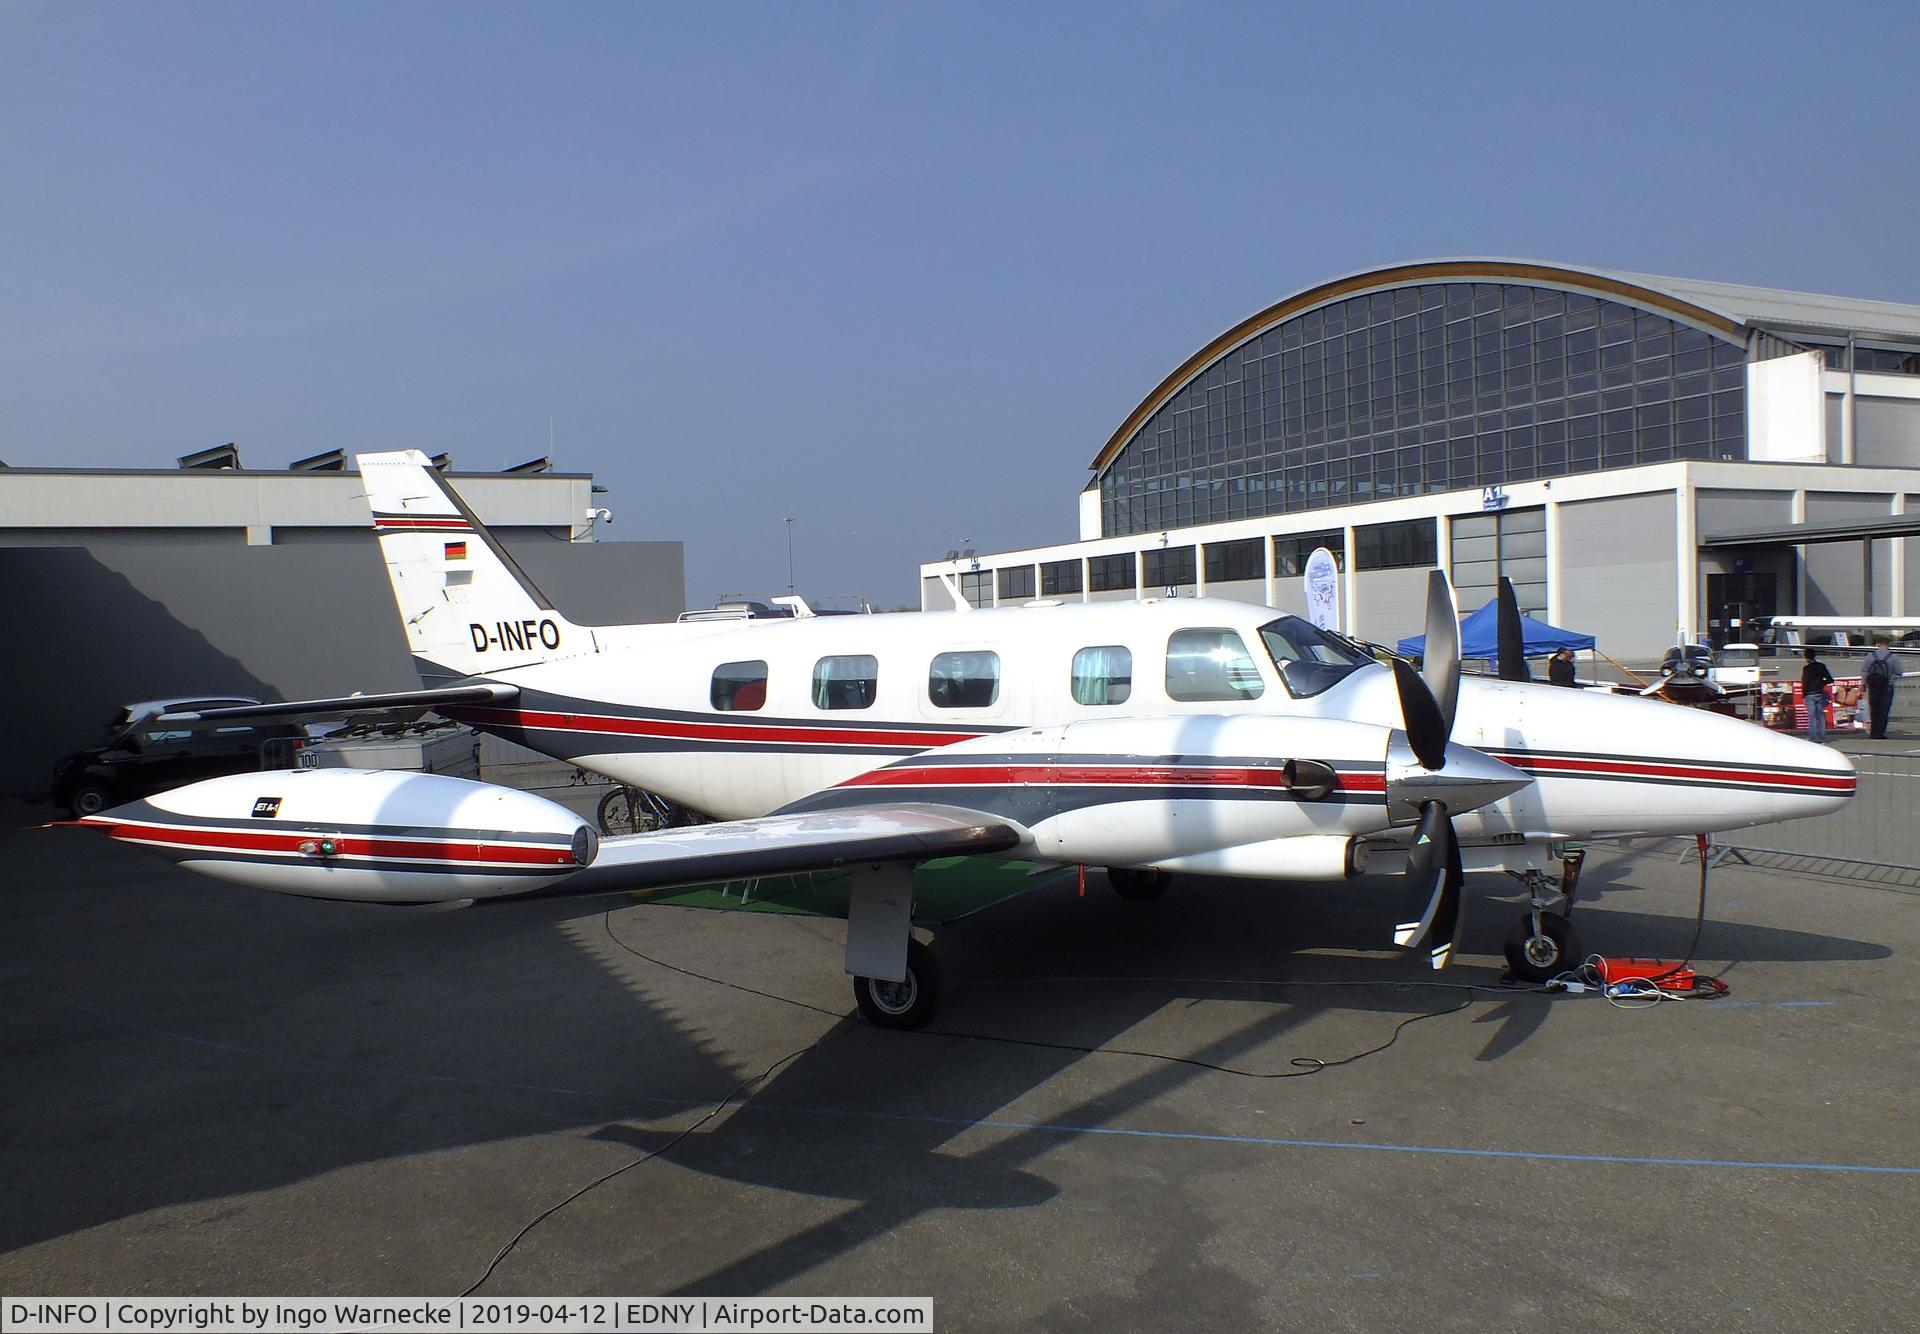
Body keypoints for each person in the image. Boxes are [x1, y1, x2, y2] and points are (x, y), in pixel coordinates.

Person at [1864, 635, 1905, 739]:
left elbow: (1865, 671)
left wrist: (1864, 683)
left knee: (1874, 709)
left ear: (1878, 644)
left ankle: (1873, 732)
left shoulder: (1870, 656)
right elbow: (1899, 672)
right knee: (1884, 710)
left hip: (1873, 686)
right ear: (1888, 645)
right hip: (1887, 686)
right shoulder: (1893, 657)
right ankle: (1880, 733)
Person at [1800, 647, 1835, 743]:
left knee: (1812, 717)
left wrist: (1803, 695)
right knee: (1820, 716)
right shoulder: (1821, 666)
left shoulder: (1806, 668)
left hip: (1810, 694)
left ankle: (1813, 737)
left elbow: (1805, 682)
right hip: (1819, 692)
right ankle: (1822, 736)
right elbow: (1830, 679)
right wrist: (1821, 683)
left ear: (1806, 657)